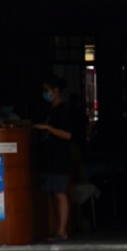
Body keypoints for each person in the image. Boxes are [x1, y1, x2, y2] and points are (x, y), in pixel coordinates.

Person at [32, 75, 85, 240]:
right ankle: (57, 228)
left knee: (60, 193)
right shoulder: (50, 110)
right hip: (49, 158)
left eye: (46, 90)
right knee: (54, 193)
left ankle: (62, 230)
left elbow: (68, 135)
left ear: (55, 91)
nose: (45, 94)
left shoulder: (64, 110)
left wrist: (48, 127)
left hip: (59, 158)